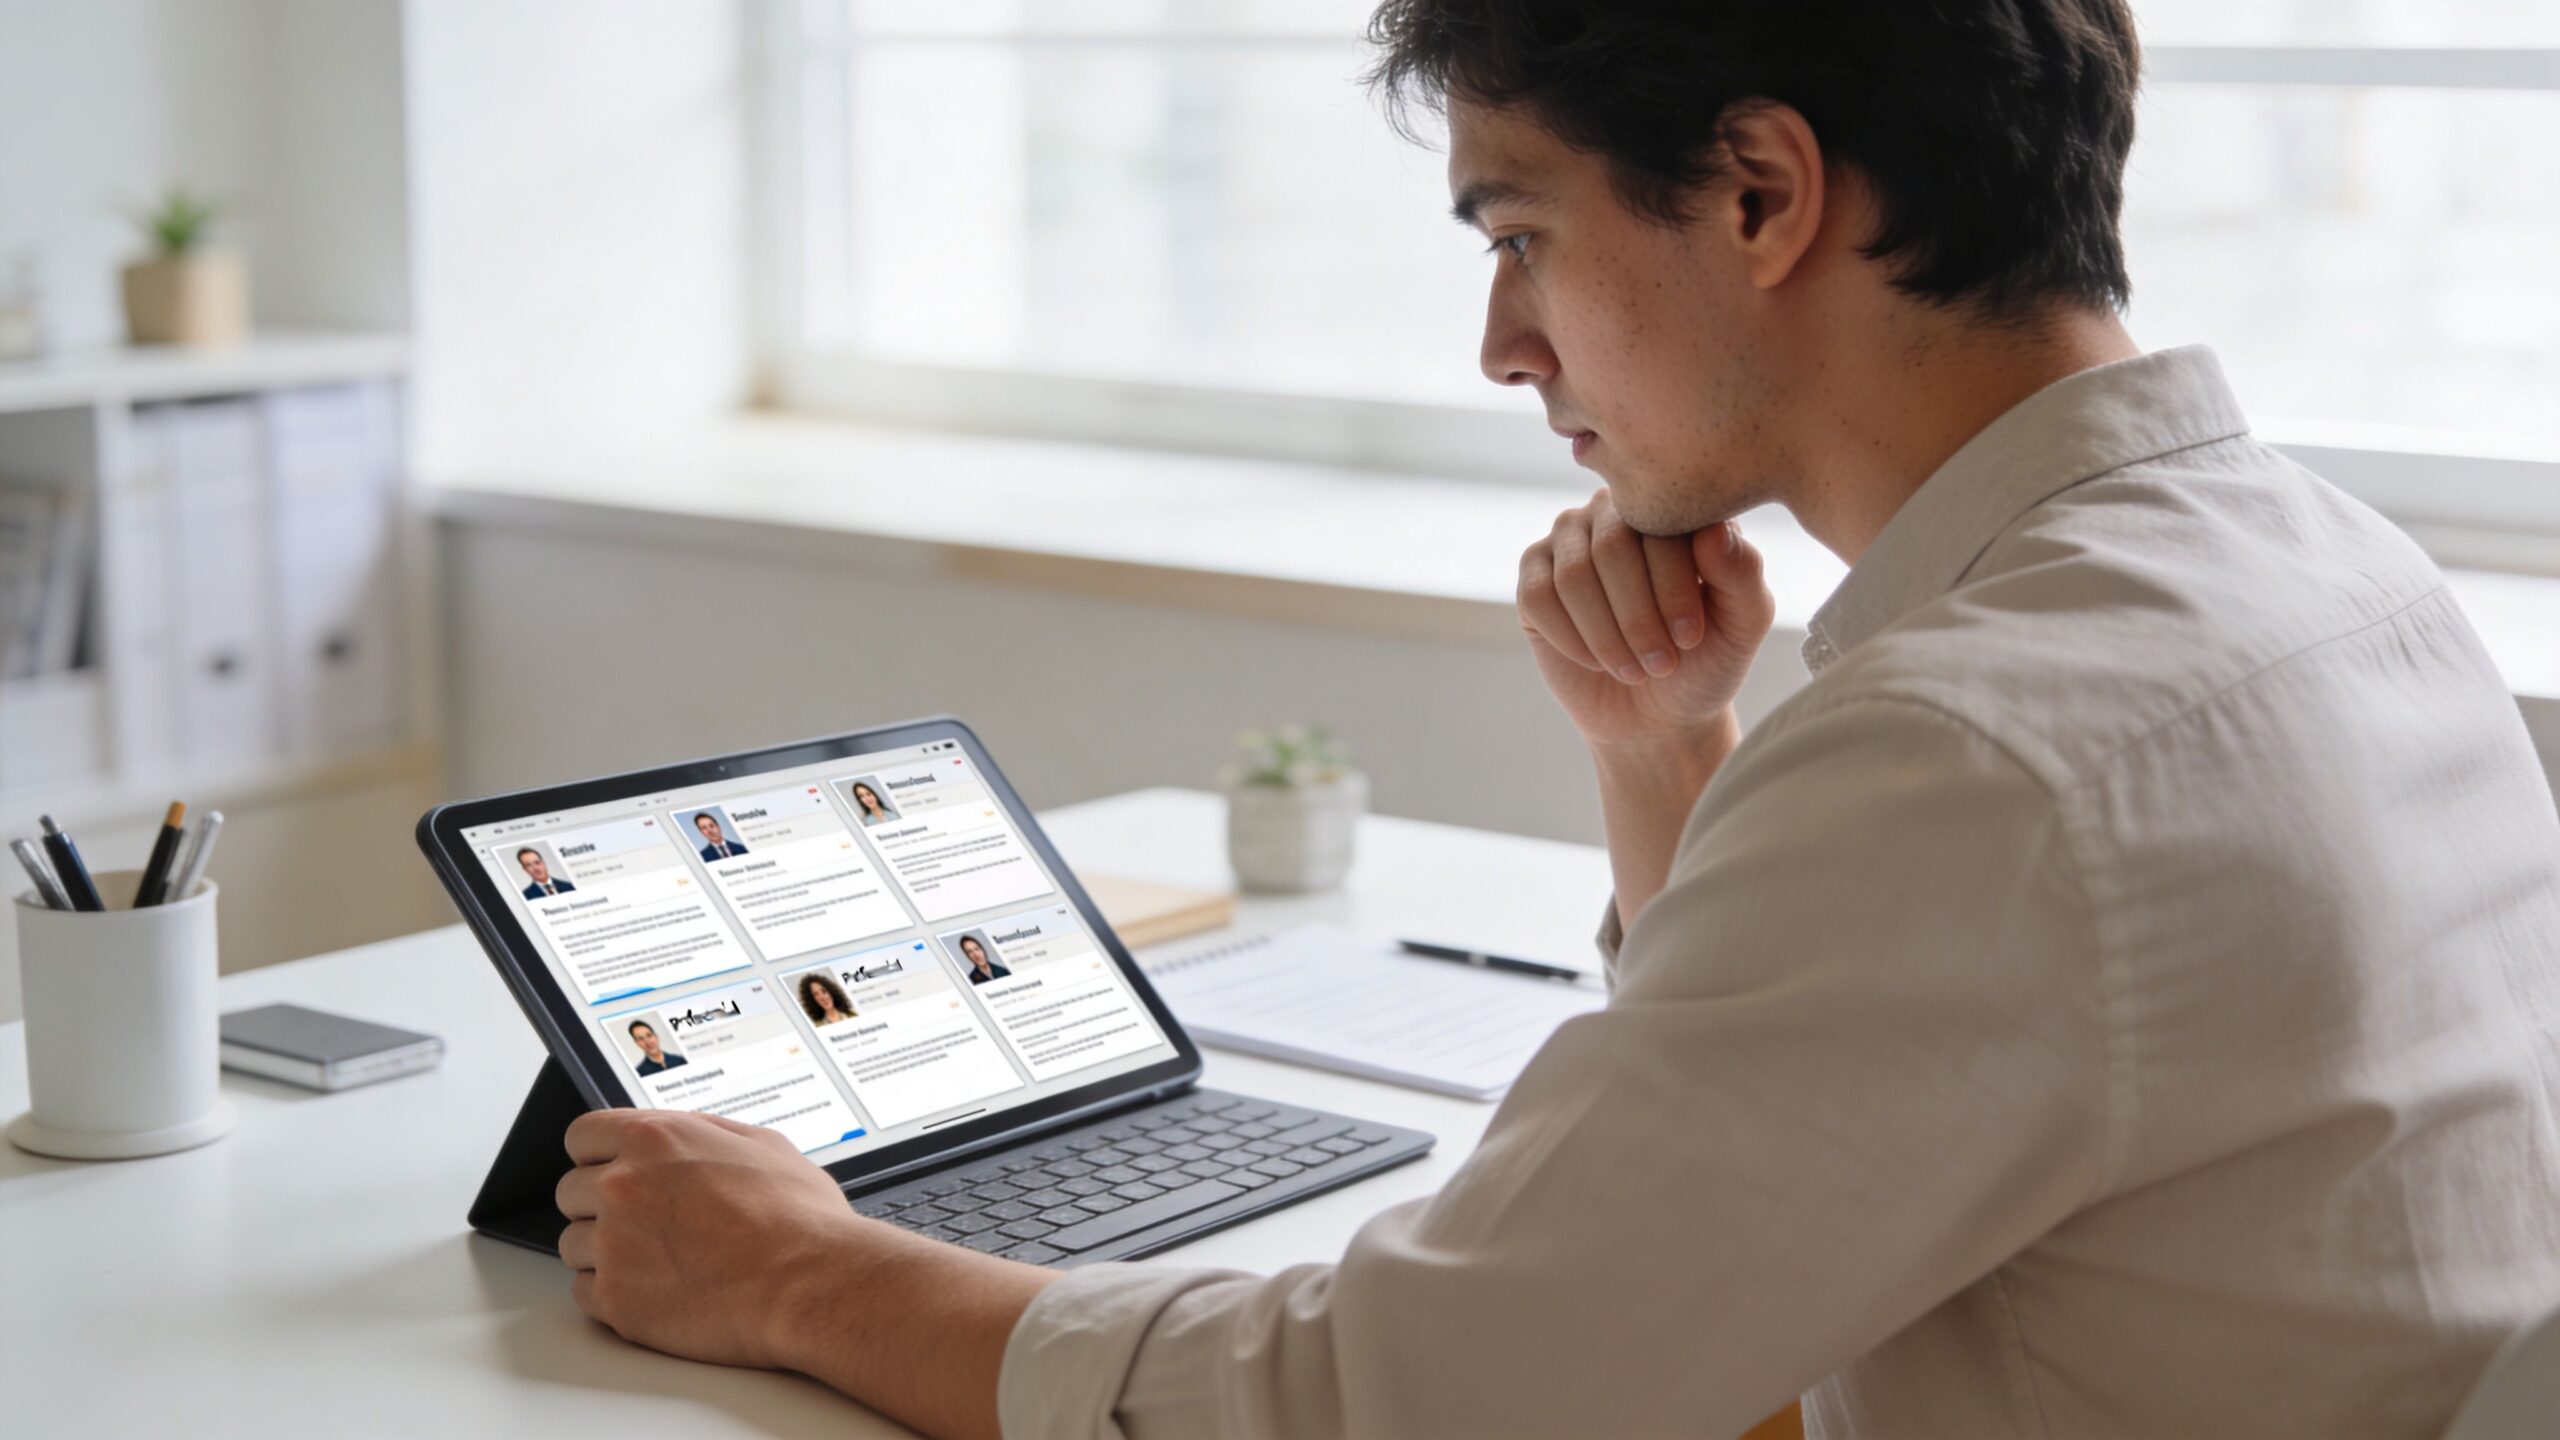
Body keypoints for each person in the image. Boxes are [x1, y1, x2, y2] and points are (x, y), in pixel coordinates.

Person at [547, 5, 2560, 1438]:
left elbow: (1392, 1406)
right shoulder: (2326, 566)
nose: (1501, 343)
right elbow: (1875, 1128)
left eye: (1519, 235)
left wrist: (798, 1272)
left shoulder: (1984, 753)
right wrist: (1664, 760)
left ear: (1760, 190)